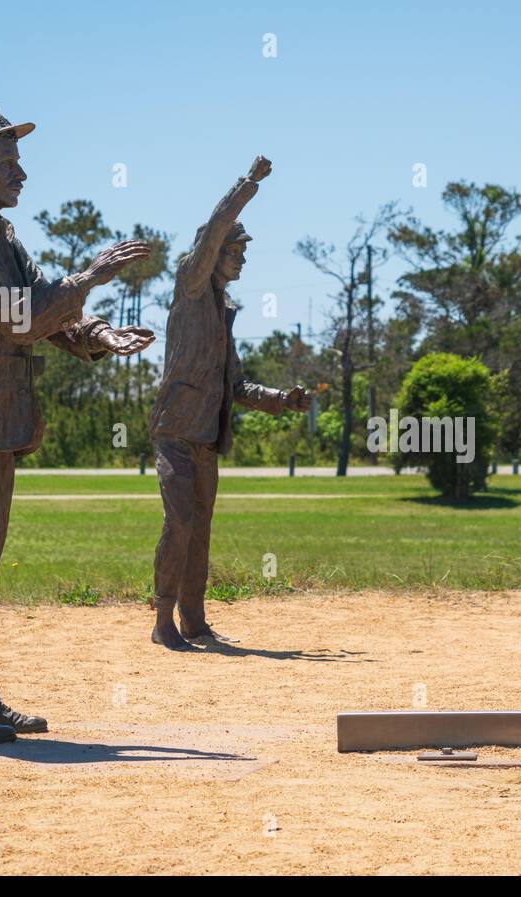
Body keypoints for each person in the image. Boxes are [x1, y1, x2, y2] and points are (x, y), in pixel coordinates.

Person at [0, 100, 154, 744]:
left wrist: (99, 333)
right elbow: (19, 317)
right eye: (9, 159)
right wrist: (94, 274)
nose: (22, 171)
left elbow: (45, 306)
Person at [149, 156, 312, 651]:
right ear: (213, 251)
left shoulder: (224, 313)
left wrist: (281, 400)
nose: (241, 258)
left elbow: (235, 386)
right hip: (175, 433)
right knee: (179, 525)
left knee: (199, 533)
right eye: (234, 249)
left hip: (204, 441)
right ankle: (162, 622)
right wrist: (248, 185)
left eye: (243, 250)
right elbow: (214, 228)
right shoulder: (191, 285)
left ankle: (194, 621)